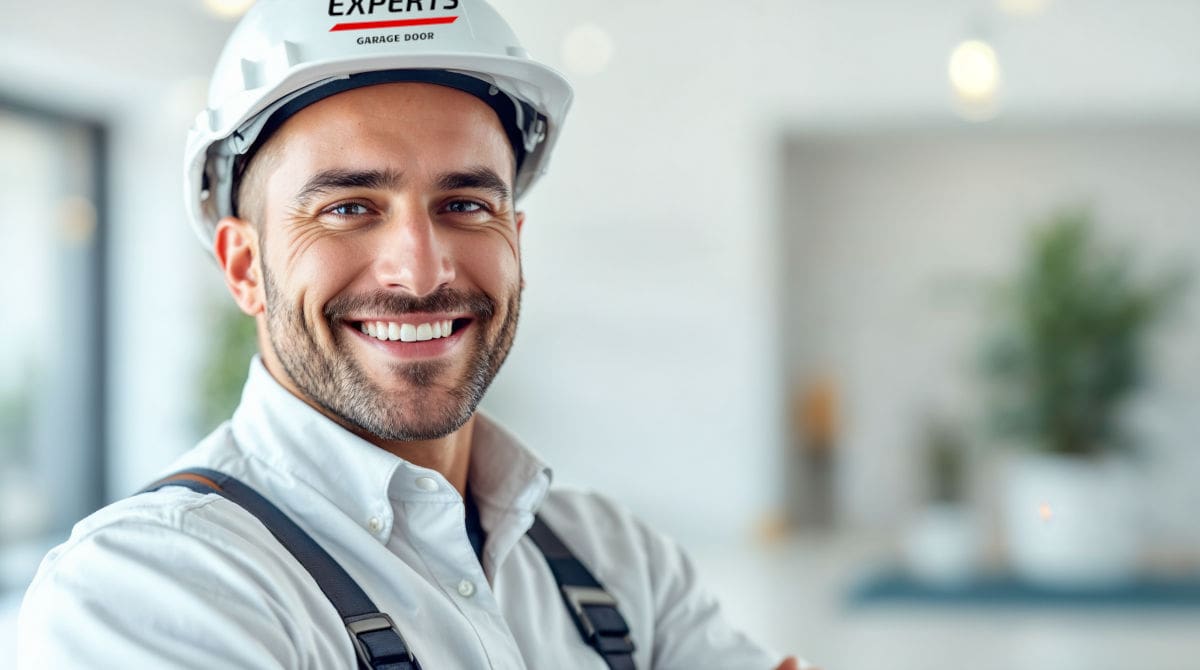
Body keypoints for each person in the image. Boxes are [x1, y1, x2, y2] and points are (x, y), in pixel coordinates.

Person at [18, 1, 811, 668]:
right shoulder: (150, 588)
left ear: (516, 241)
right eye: (349, 207)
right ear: (244, 266)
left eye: (465, 205)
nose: (422, 271)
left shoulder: (617, 558)